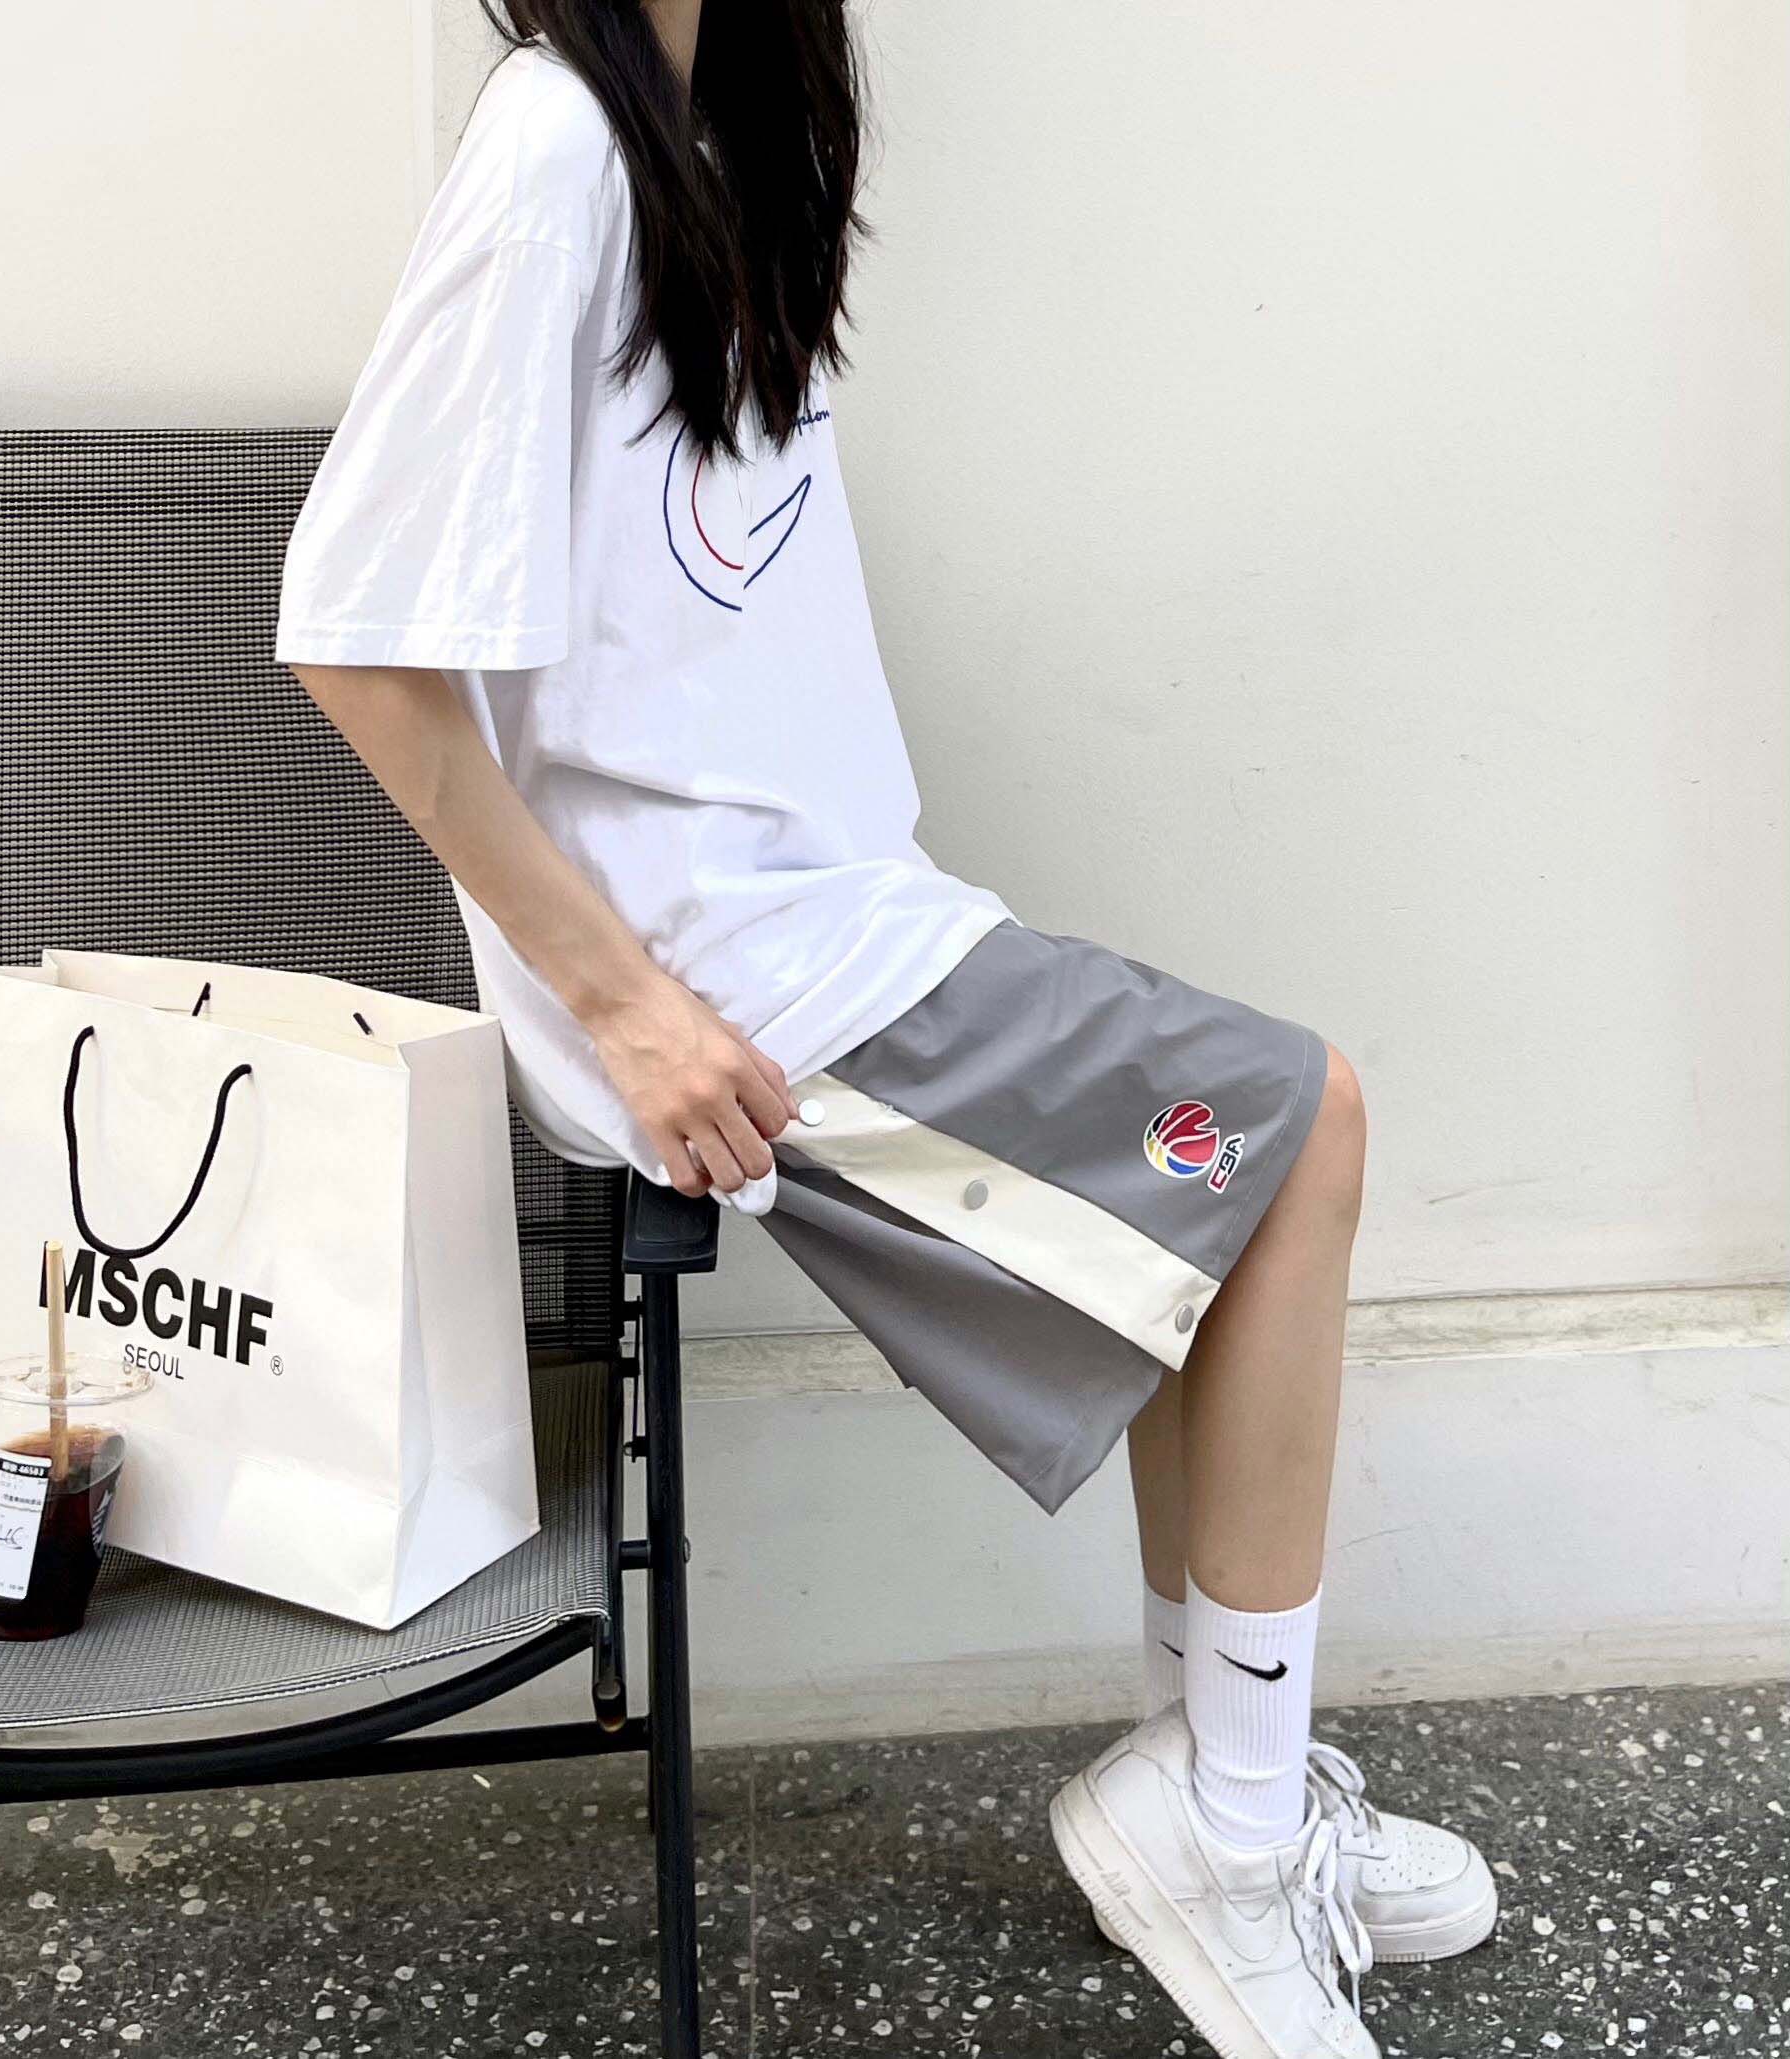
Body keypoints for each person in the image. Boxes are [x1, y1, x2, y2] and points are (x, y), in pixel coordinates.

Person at [275, 5, 1497, 2053]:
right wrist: (626, 1011)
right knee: (1300, 1126)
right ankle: (1230, 1825)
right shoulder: (558, 143)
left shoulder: (717, 134)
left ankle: (1229, 1784)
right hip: (730, 984)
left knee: (1214, 1204)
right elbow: (358, 639)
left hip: (837, 914)